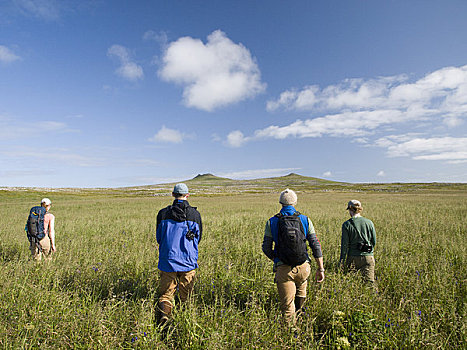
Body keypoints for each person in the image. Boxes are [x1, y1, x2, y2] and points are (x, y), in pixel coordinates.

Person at [262, 189, 324, 324]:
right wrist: (321, 268)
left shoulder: (272, 221)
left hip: (284, 269)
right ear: (295, 202)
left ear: (280, 203)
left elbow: (266, 248)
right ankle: (302, 322)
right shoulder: (305, 220)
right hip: (304, 267)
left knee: (288, 307)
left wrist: (276, 259)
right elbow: (315, 245)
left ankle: (292, 334)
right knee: (301, 294)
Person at [155, 183, 202, 326]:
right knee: (186, 296)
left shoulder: (162, 213)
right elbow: (198, 237)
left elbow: (159, 237)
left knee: (166, 295)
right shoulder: (195, 215)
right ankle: (184, 321)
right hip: (188, 260)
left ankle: (165, 316)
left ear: (173, 195)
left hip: (167, 260)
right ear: (187, 195)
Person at [339, 200, 376, 283]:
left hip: (353, 257)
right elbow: (373, 241)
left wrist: (342, 261)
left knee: (352, 283)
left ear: (350, 209)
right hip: (368, 257)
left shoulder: (347, 224)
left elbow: (344, 245)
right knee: (369, 283)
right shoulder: (369, 223)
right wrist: (369, 251)